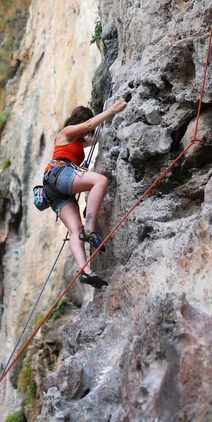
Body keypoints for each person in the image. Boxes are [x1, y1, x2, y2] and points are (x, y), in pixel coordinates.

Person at [43, 99, 127, 289]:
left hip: (53, 187)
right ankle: (90, 229)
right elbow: (90, 125)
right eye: (83, 124)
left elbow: (96, 134)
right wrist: (112, 109)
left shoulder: (78, 142)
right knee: (100, 181)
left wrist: (109, 120)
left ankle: (85, 272)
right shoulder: (66, 133)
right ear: (78, 121)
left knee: (75, 230)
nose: (86, 130)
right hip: (60, 175)